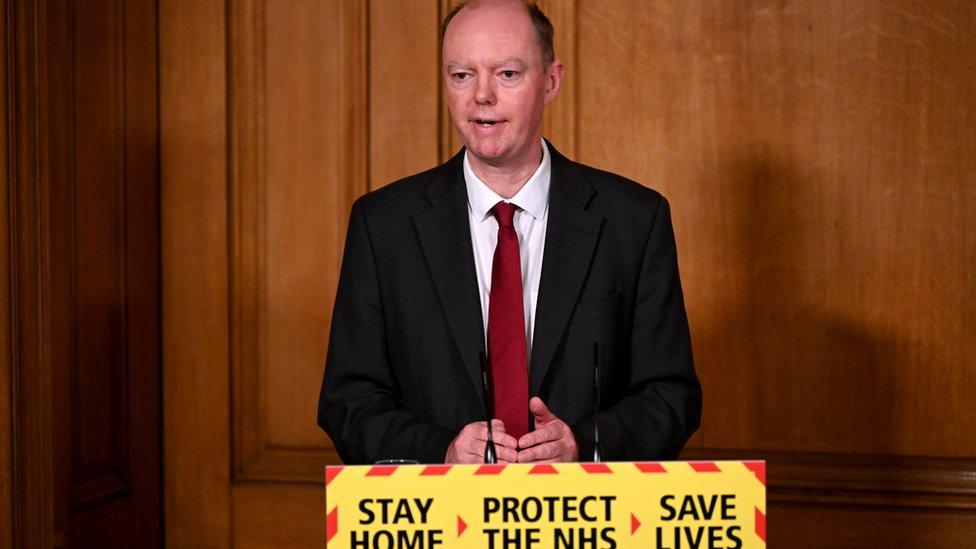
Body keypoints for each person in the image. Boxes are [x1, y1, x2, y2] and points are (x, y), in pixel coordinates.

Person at [317, 0, 701, 464]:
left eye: (507, 74)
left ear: (551, 81)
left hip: (588, 521)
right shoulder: (382, 226)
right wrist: (443, 451)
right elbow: (348, 402)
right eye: (462, 75)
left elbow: (671, 395)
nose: (481, 95)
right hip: (443, 523)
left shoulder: (634, 221)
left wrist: (583, 444)